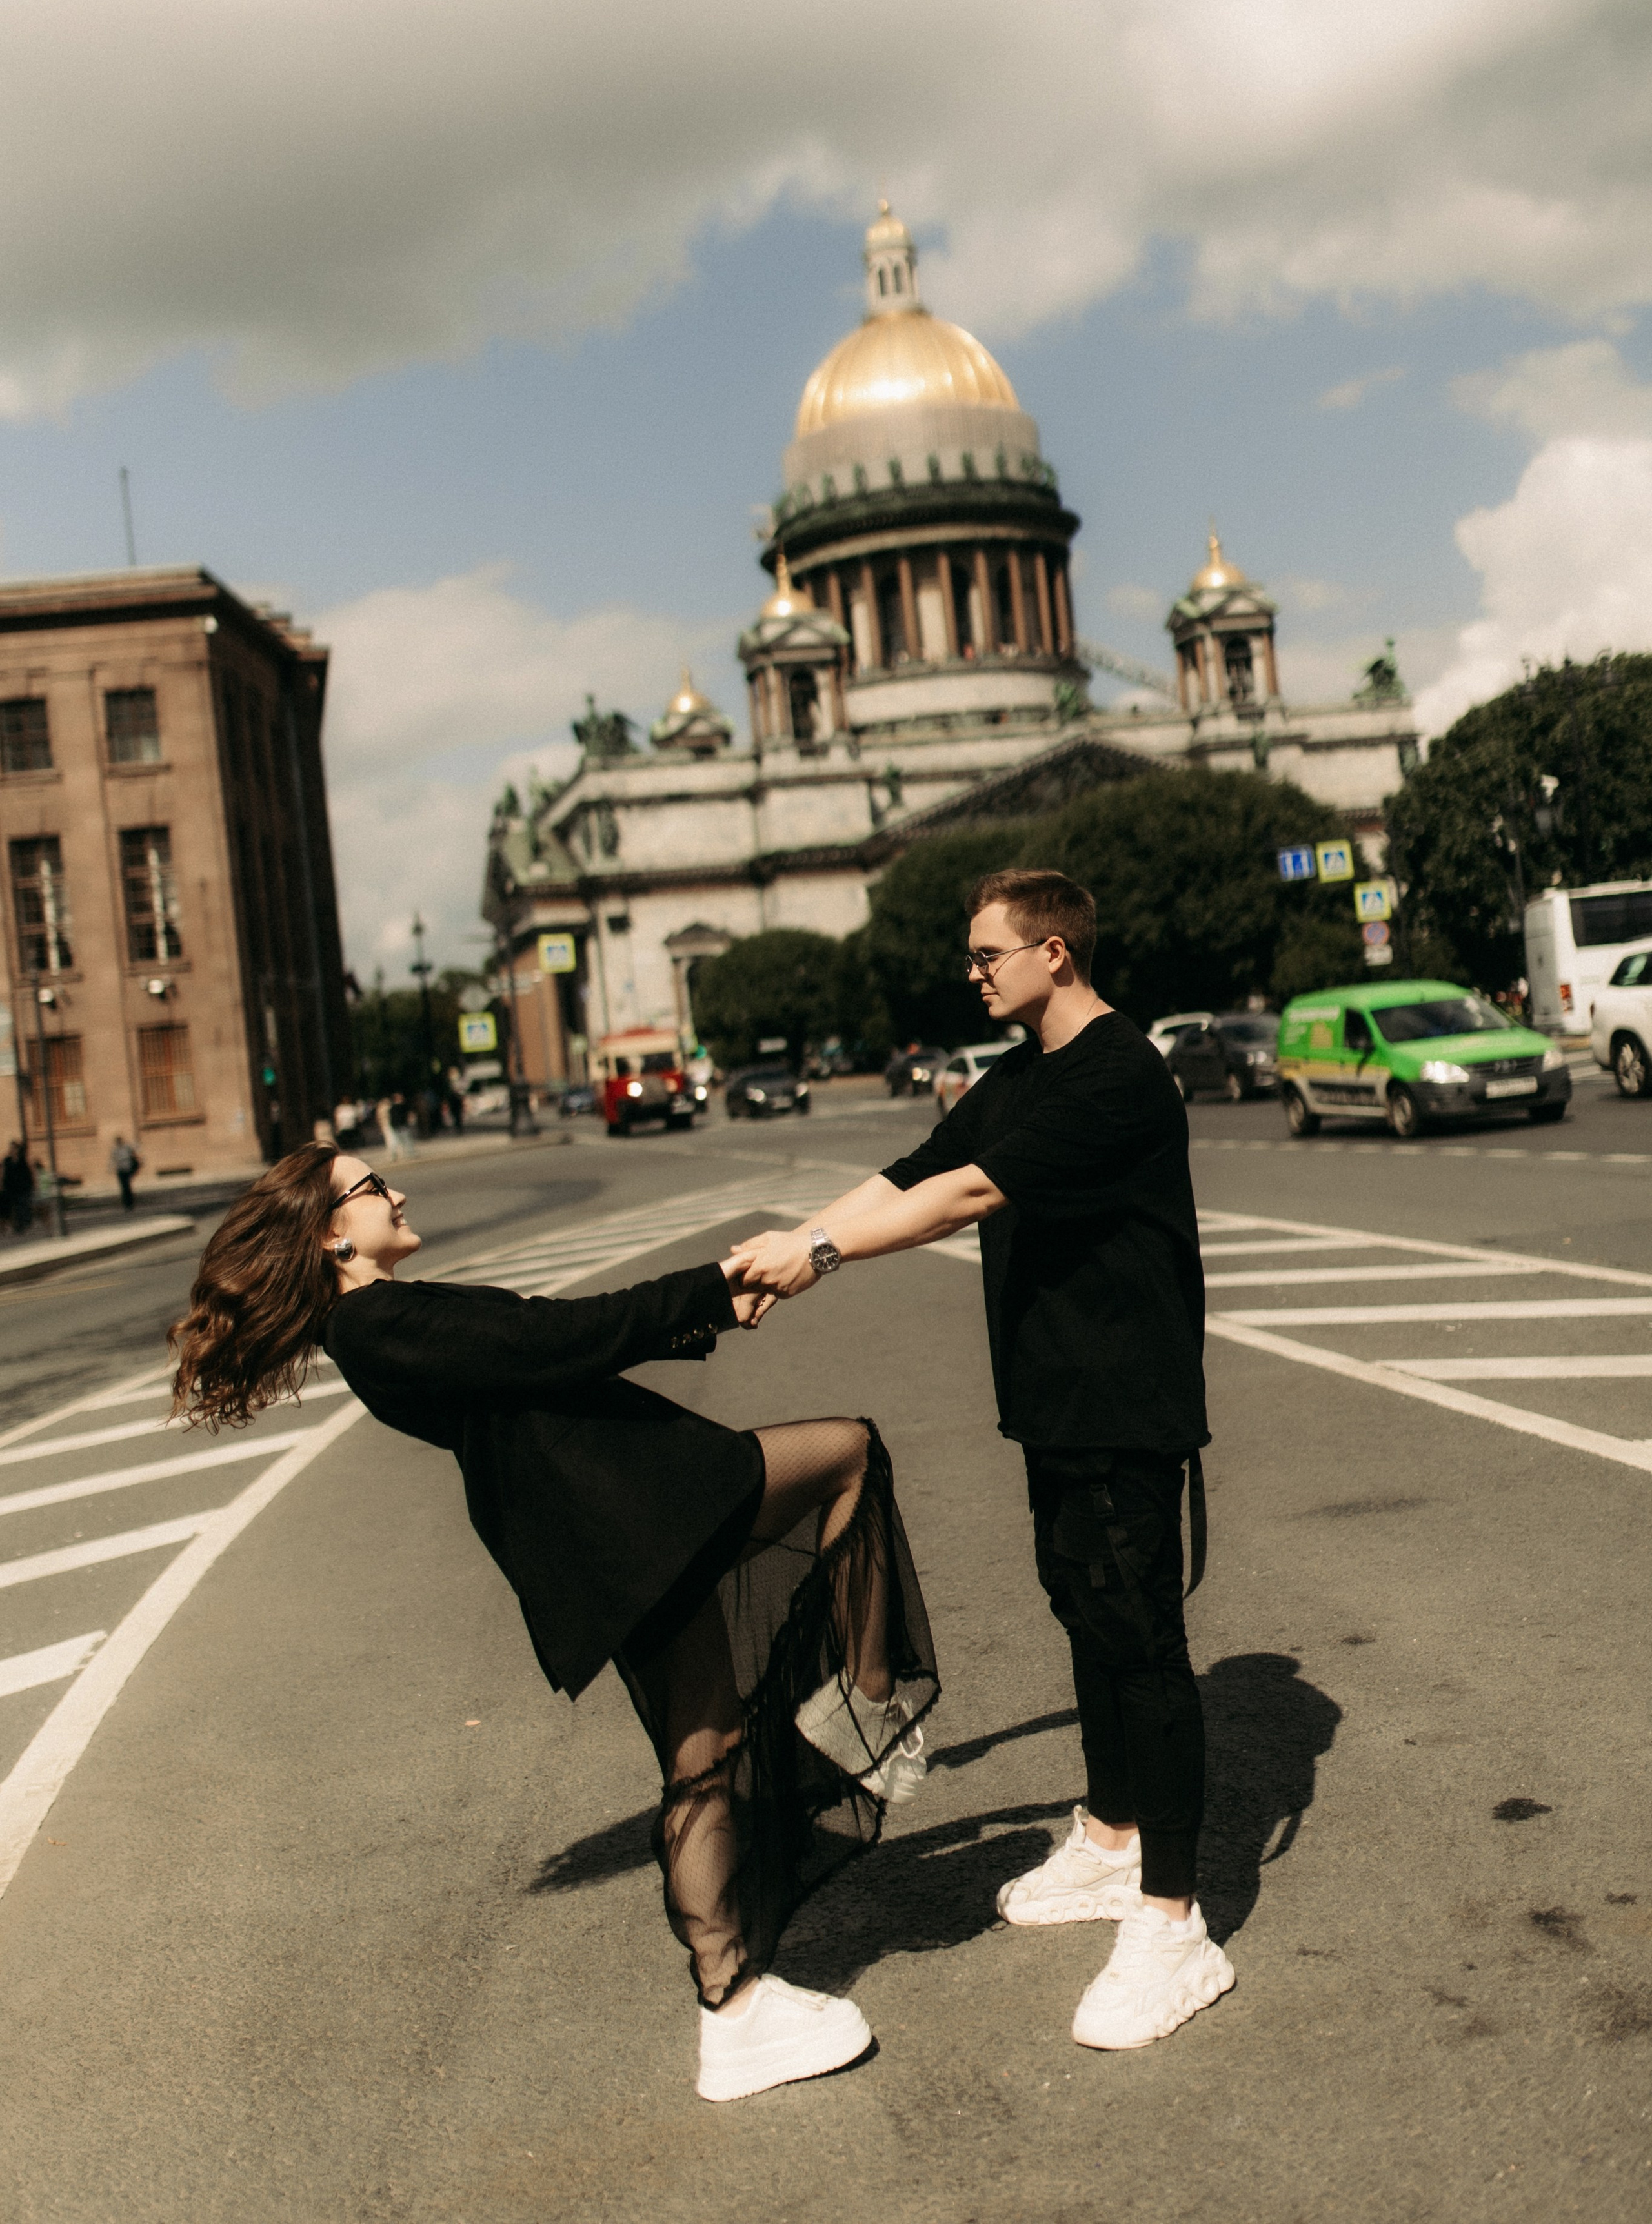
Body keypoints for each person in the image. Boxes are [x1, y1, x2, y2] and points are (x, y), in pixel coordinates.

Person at [167, 1145, 937, 2101]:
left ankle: (733, 2006)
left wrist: (711, 1308)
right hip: (634, 1515)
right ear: (332, 1232)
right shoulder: (375, 1325)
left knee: (706, 1753)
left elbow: (548, 1334)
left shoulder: (387, 1316)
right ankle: (860, 1712)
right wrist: (711, 1283)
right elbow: (560, 1338)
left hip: (621, 1531)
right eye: (374, 1188)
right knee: (850, 1454)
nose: (398, 1194)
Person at [732, 866, 1233, 2053]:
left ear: (1056, 951)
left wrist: (823, 1252)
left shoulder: (1117, 1072)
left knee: (1141, 1640)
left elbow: (965, 1192)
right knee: (1084, 1611)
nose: (971, 971)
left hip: (1122, 1403)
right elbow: (915, 1165)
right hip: (1056, 1403)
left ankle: (1174, 1917)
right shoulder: (1019, 1076)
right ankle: (1113, 1837)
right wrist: (788, 1236)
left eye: (987, 954)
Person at [3, 1138, 34, 1236]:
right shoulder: (7, 1161)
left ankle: (23, 1225)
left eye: (15, 1149)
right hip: (10, 1189)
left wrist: (30, 1186)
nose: (13, 1150)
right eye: (12, 1149)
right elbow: (4, 1174)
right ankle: (16, 1226)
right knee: (12, 1208)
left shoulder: (22, 1160)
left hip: (22, 1189)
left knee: (22, 1207)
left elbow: (28, 1174)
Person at [110, 1133, 141, 1212]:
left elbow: (134, 1153)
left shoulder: (127, 1148)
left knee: (127, 1187)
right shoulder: (115, 1150)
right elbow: (113, 1160)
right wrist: (110, 1168)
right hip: (121, 1170)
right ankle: (127, 1205)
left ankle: (130, 1204)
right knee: (124, 1188)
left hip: (127, 1169)